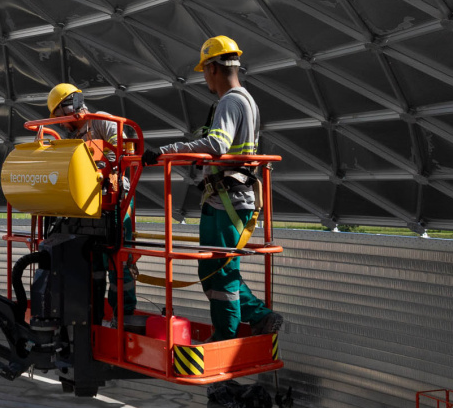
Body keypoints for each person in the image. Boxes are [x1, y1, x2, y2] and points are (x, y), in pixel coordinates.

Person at [141, 36, 283, 341]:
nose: (204, 78)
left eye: (204, 71)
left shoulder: (231, 100)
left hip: (226, 201)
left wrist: (167, 151)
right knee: (215, 272)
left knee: (219, 275)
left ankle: (232, 332)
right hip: (233, 199)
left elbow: (217, 143)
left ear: (213, 68)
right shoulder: (246, 100)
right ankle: (255, 318)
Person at [46, 83, 137, 322]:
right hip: (87, 208)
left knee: (119, 265)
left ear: (70, 107)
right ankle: (94, 319)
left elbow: (121, 152)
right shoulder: (72, 137)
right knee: (93, 265)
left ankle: (123, 319)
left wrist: (95, 167)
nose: (60, 123)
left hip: (116, 204)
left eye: (58, 117)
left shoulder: (102, 121)